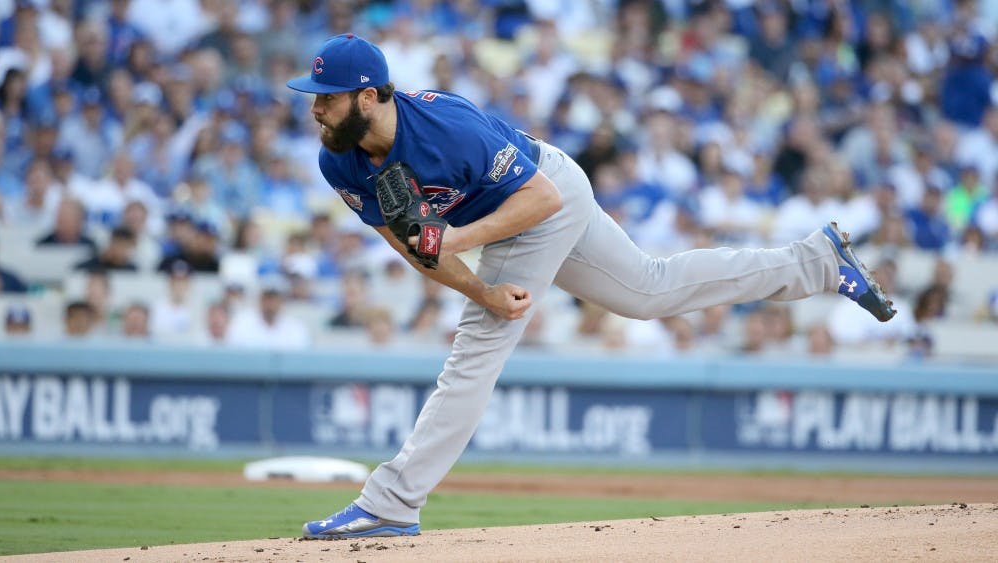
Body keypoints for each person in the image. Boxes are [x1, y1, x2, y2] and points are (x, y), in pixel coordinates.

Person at [286, 34, 897, 540]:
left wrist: (457, 243)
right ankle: (816, 261)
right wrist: (483, 291)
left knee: (475, 353)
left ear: (368, 95)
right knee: (648, 292)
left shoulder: (446, 129)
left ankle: (391, 502)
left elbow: (539, 200)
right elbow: (413, 246)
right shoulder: (337, 158)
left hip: (542, 195)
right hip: (505, 218)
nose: (314, 109)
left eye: (326, 98)